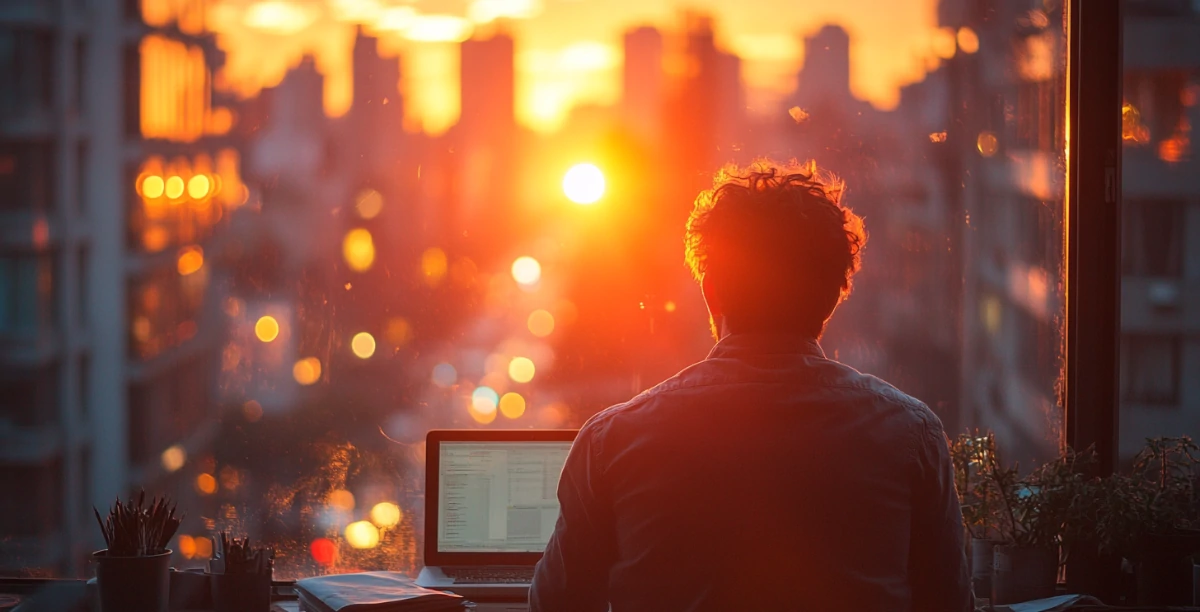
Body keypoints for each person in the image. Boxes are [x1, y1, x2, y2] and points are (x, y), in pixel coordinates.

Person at [529, 161, 973, 612]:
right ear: (833, 296)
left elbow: (556, 605)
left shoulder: (613, 441)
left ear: (711, 291)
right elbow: (949, 601)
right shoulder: (910, 435)